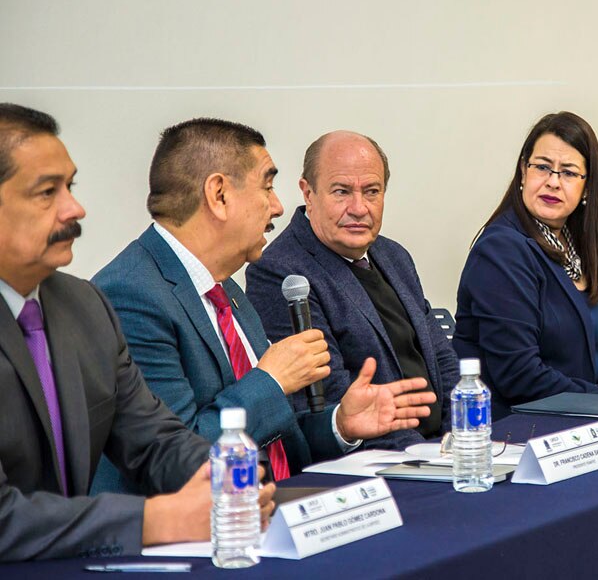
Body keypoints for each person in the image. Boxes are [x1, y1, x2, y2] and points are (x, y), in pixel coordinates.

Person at [92, 119, 435, 494]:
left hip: (278, 506)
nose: (277, 206)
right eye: (267, 186)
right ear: (219, 194)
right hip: (196, 531)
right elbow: (176, 458)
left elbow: (276, 435)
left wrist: (341, 425)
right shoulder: (131, 295)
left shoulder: (226, 290)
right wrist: (270, 380)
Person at [0, 103, 275, 560]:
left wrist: (226, 480)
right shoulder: (126, 290)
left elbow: (156, 441)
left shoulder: (83, 306)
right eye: (47, 192)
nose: (75, 208)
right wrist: (156, 520)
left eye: (70, 186)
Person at [247, 131, 458, 449]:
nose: (359, 208)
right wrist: (424, 455)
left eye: (371, 191)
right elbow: (330, 402)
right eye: (342, 192)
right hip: (381, 460)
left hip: (440, 450)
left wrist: (461, 437)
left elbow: (442, 359)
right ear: (308, 192)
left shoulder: (394, 256)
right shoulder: (281, 273)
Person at [453, 111, 598, 417]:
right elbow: (519, 374)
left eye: (568, 172)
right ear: (523, 172)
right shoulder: (501, 250)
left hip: (590, 418)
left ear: (587, 187)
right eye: (542, 167)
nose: (552, 182)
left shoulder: (581, 245)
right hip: (521, 427)